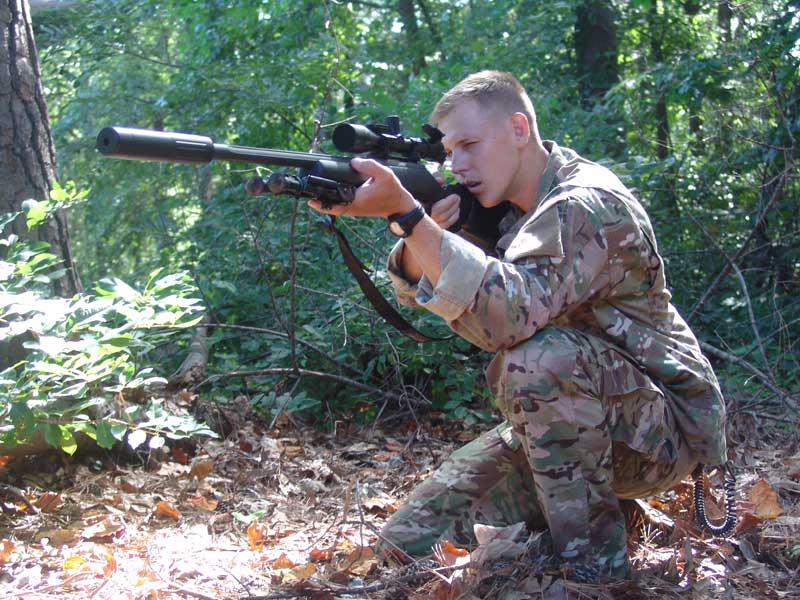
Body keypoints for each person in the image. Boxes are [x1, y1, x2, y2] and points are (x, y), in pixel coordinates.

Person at [309, 71, 727, 580]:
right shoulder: (501, 211)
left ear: (518, 129)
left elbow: (504, 321)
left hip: (660, 434)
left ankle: (595, 573)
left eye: (469, 145)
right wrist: (423, 230)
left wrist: (410, 218)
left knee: (538, 359)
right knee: (407, 543)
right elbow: (421, 288)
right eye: (448, 151)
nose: (457, 165)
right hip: (570, 419)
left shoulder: (584, 204)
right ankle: (597, 506)